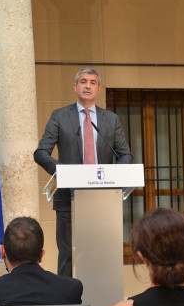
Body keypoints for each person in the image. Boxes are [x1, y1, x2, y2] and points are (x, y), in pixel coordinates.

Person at [34, 67, 132, 277]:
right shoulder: (60, 117)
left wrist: (112, 177)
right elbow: (41, 152)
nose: (88, 86)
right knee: (67, 254)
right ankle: (66, 303)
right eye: (83, 81)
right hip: (67, 197)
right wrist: (63, 172)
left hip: (102, 199)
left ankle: (101, 299)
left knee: (101, 254)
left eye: (93, 82)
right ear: (75, 86)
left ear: (99, 89)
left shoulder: (111, 119)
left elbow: (125, 155)